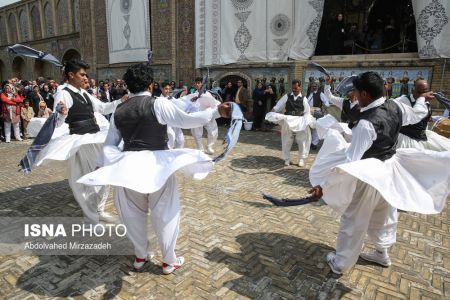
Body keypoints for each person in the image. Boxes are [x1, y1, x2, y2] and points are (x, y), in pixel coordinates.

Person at [79, 63, 231, 274]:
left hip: (128, 168)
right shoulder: (158, 103)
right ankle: (169, 260)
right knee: (166, 212)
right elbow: (185, 120)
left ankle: (140, 256)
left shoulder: (120, 110)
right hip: (158, 166)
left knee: (131, 214)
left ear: (128, 87)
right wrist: (216, 111)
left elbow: (110, 144)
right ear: (150, 85)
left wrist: (102, 166)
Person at [308, 72, 450, 275]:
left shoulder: (366, 124)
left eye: (356, 91)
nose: (354, 95)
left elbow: (351, 162)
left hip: (370, 174)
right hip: (390, 170)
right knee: (385, 214)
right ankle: (382, 253)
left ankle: (341, 263)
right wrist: (420, 99)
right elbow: (418, 113)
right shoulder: (396, 106)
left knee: (354, 218)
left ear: (364, 93)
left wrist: (324, 186)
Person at [37, 59, 124, 224]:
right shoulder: (63, 92)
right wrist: (61, 113)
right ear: (71, 75)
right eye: (82, 74)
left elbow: (103, 108)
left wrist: (121, 101)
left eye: (86, 74)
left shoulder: (84, 93)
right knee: (87, 179)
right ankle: (91, 217)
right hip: (81, 140)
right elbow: (58, 120)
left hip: (95, 136)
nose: (86, 78)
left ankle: (99, 209)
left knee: (104, 175)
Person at [395, 79, 450, 151]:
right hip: (405, 139)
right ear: (412, 90)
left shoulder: (426, 100)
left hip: (422, 137)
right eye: (419, 92)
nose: (422, 95)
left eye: (425, 92)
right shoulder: (401, 101)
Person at [269, 80, 313, 167]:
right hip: (288, 119)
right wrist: (273, 111)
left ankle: (301, 159)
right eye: (293, 88)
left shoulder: (304, 98)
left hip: (300, 120)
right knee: (287, 139)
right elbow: (278, 105)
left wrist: (307, 121)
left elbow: (307, 112)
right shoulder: (287, 96)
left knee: (301, 140)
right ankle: (286, 158)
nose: (294, 90)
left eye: (296, 88)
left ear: (300, 87)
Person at [190, 77, 218, 154]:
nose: (197, 84)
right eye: (196, 83)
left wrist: (209, 112)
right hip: (197, 116)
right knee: (196, 132)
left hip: (207, 115)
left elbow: (214, 105)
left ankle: (209, 146)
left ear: (202, 84)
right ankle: (200, 148)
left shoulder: (207, 94)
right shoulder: (193, 94)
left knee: (212, 131)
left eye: (199, 83)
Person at [161, 82, 185, 149]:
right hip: (166, 123)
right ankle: (168, 154)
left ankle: (178, 154)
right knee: (171, 138)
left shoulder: (171, 98)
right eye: (166, 89)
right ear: (162, 89)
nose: (168, 91)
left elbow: (179, 105)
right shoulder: (158, 99)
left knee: (181, 139)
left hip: (175, 120)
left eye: (169, 89)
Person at [307, 82, 330, 149]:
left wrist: (325, 108)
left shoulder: (320, 93)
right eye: (312, 86)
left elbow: (326, 102)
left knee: (315, 128)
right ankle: (309, 142)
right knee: (308, 127)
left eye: (315, 86)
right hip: (308, 112)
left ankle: (314, 143)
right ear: (310, 87)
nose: (314, 87)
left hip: (316, 112)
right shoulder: (308, 94)